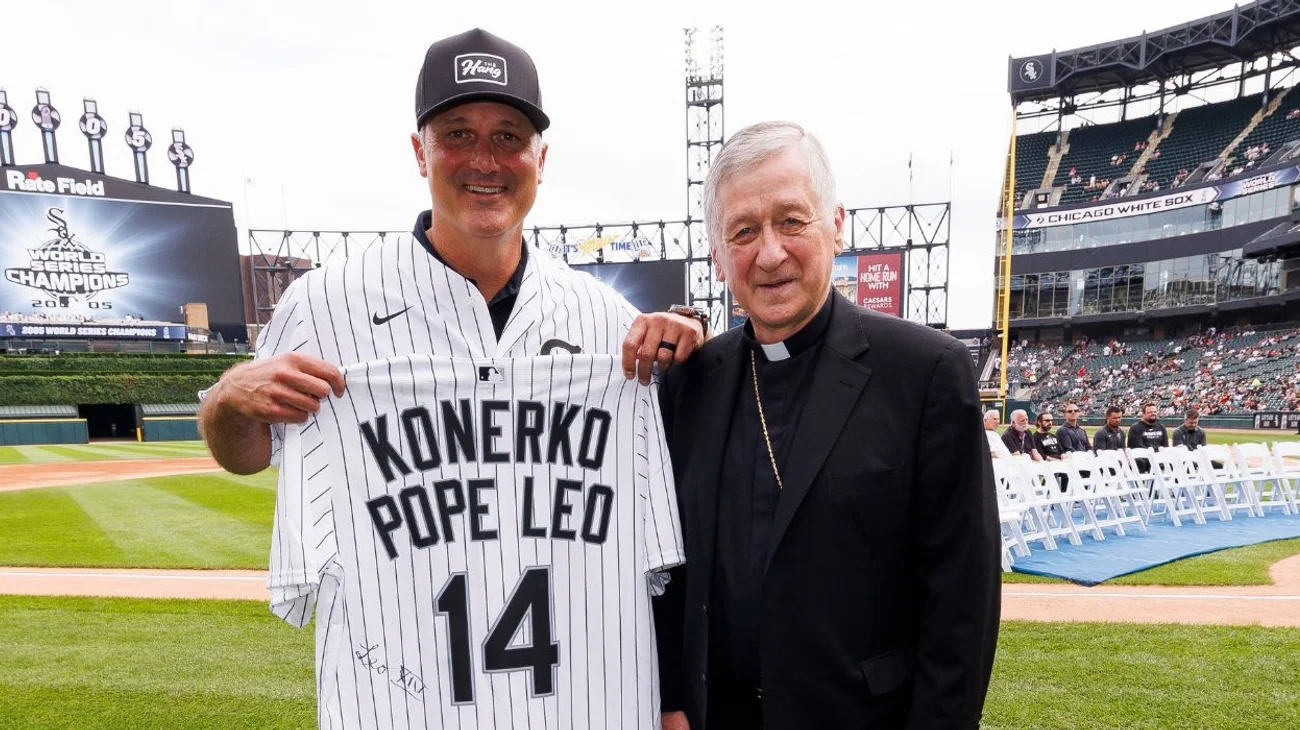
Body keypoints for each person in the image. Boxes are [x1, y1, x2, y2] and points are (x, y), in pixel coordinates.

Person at [195, 28, 706, 729]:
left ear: (540, 158)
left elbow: (661, 568)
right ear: (419, 151)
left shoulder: (605, 323)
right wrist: (229, 397)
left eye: (510, 136)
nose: (485, 160)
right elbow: (243, 453)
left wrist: (691, 354)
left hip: (581, 709)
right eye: (459, 134)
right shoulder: (323, 305)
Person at [653, 121, 1000, 730]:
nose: (769, 253)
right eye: (743, 231)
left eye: (791, 220)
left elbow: (961, 607)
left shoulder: (925, 373)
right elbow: (670, 570)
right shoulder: (690, 382)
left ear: (836, 225)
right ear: (716, 257)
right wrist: (674, 698)